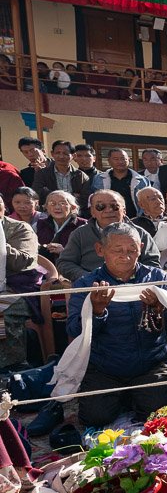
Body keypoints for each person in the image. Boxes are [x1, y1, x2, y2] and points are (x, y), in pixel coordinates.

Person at [65, 222, 167, 428]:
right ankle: (123, 398)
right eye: (118, 250)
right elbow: (74, 330)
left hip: (149, 364)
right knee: (96, 418)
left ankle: (135, 396)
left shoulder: (157, 277)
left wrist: (158, 308)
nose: (126, 256)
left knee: (157, 416)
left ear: (141, 249)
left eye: (132, 250)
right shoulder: (87, 284)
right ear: (100, 250)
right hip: (105, 367)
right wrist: (97, 312)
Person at [58, 191, 160, 281]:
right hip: (93, 287)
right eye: (100, 207)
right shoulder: (80, 234)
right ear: (92, 212)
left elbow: (152, 262)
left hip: (133, 286)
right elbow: (65, 263)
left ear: (124, 210)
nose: (108, 210)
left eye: (114, 206)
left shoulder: (140, 233)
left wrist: (135, 279)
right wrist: (88, 278)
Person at [0, 197, 38, 371]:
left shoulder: (19, 228)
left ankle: (11, 366)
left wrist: (1, 245)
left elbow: (23, 261)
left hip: (16, 287)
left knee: (4, 313)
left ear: (4, 207)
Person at [90, 149, 147, 218]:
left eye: (123, 159)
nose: (120, 162)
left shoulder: (142, 180)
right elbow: (93, 200)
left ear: (129, 160)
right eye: (116, 159)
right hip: (108, 217)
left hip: (135, 218)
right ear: (109, 161)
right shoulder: (99, 179)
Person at [32, 140, 90, 205]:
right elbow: (37, 194)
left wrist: (49, 193)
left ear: (73, 156)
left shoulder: (81, 176)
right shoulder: (42, 174)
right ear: (52, 154)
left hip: (74, 210)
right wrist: (71, 195)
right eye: (57, 153)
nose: (61, 156)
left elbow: (85, 200)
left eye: (65, 153)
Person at [36, 190, 86, 265]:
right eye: (52, 203)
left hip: (73, 267)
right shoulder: (40, 224)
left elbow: (88, 254)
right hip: (45, 267)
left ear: (72, 207)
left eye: (62, 203)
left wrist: (64, 251)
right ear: (46, 207)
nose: (57, 207)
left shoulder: (83, 225)